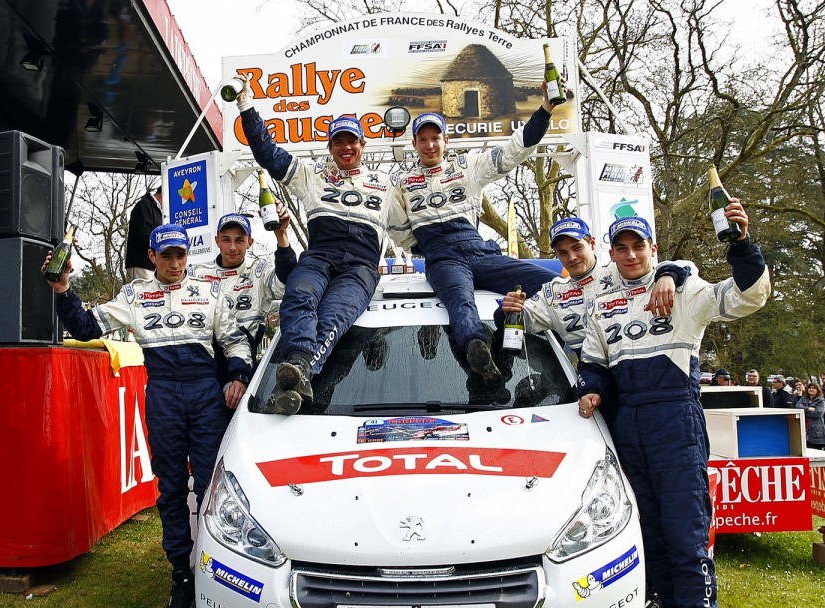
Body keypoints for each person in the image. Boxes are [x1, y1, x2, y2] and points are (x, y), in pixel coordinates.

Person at [576, 201, 770, 608]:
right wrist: (592, 389)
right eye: (621, 247)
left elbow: (747, 295)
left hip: (675, 420)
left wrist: (741, 244)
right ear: (611, 254)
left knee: (686, 536)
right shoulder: (602, 303)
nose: (631, 254)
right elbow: (595, 360)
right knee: (651, 536)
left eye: (639, 245)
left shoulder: (685, 289)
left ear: (652, 248)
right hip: (627, 424)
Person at [43, 224, 253, 608]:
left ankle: (216, 575)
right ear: (152, 257)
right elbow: (87, 328)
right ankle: (181, 576)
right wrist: (63, 290)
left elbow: (234, 339)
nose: (175, 264)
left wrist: (238, 376)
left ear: (187, 257)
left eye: (181, 256)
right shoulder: (135, 295)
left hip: (205, 394)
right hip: (163, 394)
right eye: (167, 256)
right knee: (171, 488)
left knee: (212, 490)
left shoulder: (209, 292)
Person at [234, 85, 403, 415]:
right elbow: (267, 152)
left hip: (361, 266)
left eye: (352, 141)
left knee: (334, 317)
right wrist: (245, 103)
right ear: (330, 147)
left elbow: (421, 221)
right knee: (299, 293)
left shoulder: (388, 184)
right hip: (321, 254)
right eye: (338, 142)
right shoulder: (313, 176)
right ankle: (297, 362)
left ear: (362, 145)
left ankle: (294, 377)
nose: (346, 147)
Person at [393, 84, 562, 386]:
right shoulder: (402, 183)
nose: (430, 145)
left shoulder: (467, 166)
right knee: (460, 301)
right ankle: (476, 350)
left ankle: (509, 341)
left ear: (446, 140)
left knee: (551, 284)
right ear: (415, 144)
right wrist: (425, 247)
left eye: (435, 138)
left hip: (479, 251)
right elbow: (396, 229)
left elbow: (515, 150)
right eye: (423, 140)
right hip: (442, 258)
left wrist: (545, 111)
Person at [494, 216, 688, 361]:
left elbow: (683, 269)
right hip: (595, 378)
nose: (572, 257)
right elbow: (519, 321)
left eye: (577, 248)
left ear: (592, 243)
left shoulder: (619, 270)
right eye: (563, 253)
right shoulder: (552, 293)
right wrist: (507, 310)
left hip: (636, 364)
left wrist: (668, 274)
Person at [192, 208, 297, 388]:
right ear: (217, 240)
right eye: (226, 240)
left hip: (243, 366)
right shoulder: (198, 274)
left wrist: (281, 235)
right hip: (203, 367)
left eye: (239, 240)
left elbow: (287, 279)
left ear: (250, 242)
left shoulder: (259, 272)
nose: (232, 247)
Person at [125, 185, 163, 281]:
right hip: (142, 263)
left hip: (154, 264)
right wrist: (163, 242)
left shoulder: (160, 212)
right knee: (144, 294)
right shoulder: (144, 206)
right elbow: (143, 233)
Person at [797, 383, 825, 450]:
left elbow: (818, 414)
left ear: (817, 390)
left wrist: (803, 411)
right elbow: (797, 407)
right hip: (804, 429)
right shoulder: (803, 398)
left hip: (816, 431)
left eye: (813, 388)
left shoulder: (821, 401)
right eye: (809, 388)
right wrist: (809, 409)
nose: (811, 389)